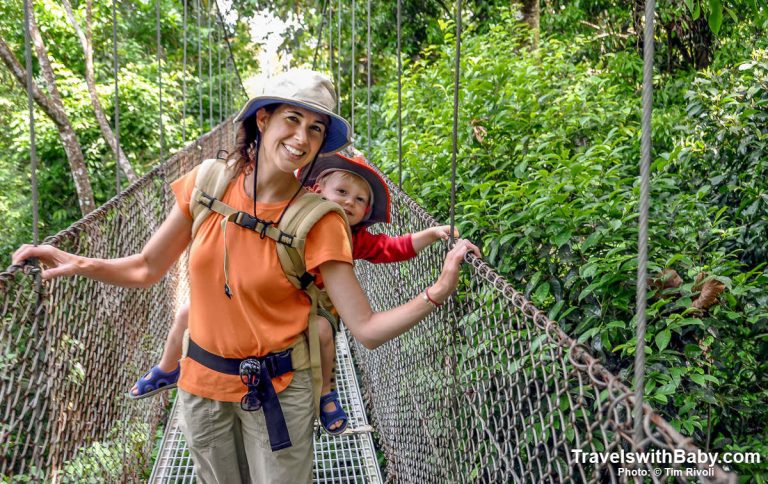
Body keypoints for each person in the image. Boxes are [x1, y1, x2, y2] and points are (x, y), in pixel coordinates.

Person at [12, 69, 479, 483]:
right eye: (291, 120)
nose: (301, 137)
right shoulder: (208, 181)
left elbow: (366, 330)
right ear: (263, 120)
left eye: (316, 129)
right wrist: (80, 263)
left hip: (279, 391)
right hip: (200, 390)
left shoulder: (323, 220)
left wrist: (437, 292)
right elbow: (146, 267)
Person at [128, 148, 459, 437]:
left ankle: (327, 393)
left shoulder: (352, 237)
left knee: (323, 331)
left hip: (315, 304)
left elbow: (392, 247)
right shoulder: (290, 215)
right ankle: (168, 367)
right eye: (342, 192)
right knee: (187, 312)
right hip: (266, 299)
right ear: (316, 190)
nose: (349, 202)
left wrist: (430, 234)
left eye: (360, 201)